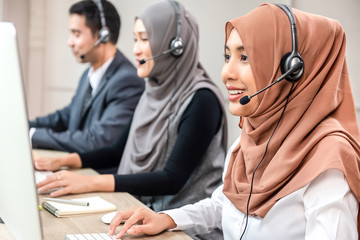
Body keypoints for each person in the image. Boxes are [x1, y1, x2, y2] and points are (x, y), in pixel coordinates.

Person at [107, 3, 360, 240]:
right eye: (228, 56)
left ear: (292, 70)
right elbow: (223, 204)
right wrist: (167, 218)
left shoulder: (328, 160)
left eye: (246, 58)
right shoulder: (250, 138)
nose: (226, 72)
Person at [37, 1, 227, 238]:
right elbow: (117, 150)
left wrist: (89, 182)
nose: (135, 49)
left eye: (144, 39)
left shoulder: (202, 100)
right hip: (142, 213)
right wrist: (65, 162)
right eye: (135, 39)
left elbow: (172, 179)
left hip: (184, 229)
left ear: (175, 46)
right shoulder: (152, 92)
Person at [29, 0, 144, 153]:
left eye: (76, 34)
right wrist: (25, 126)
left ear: (103, 35)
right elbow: (66, 116)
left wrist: (33, 135)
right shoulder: (88, 75)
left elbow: (97, 141)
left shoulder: (127, 81)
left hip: (100, 174)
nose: (69, 42)